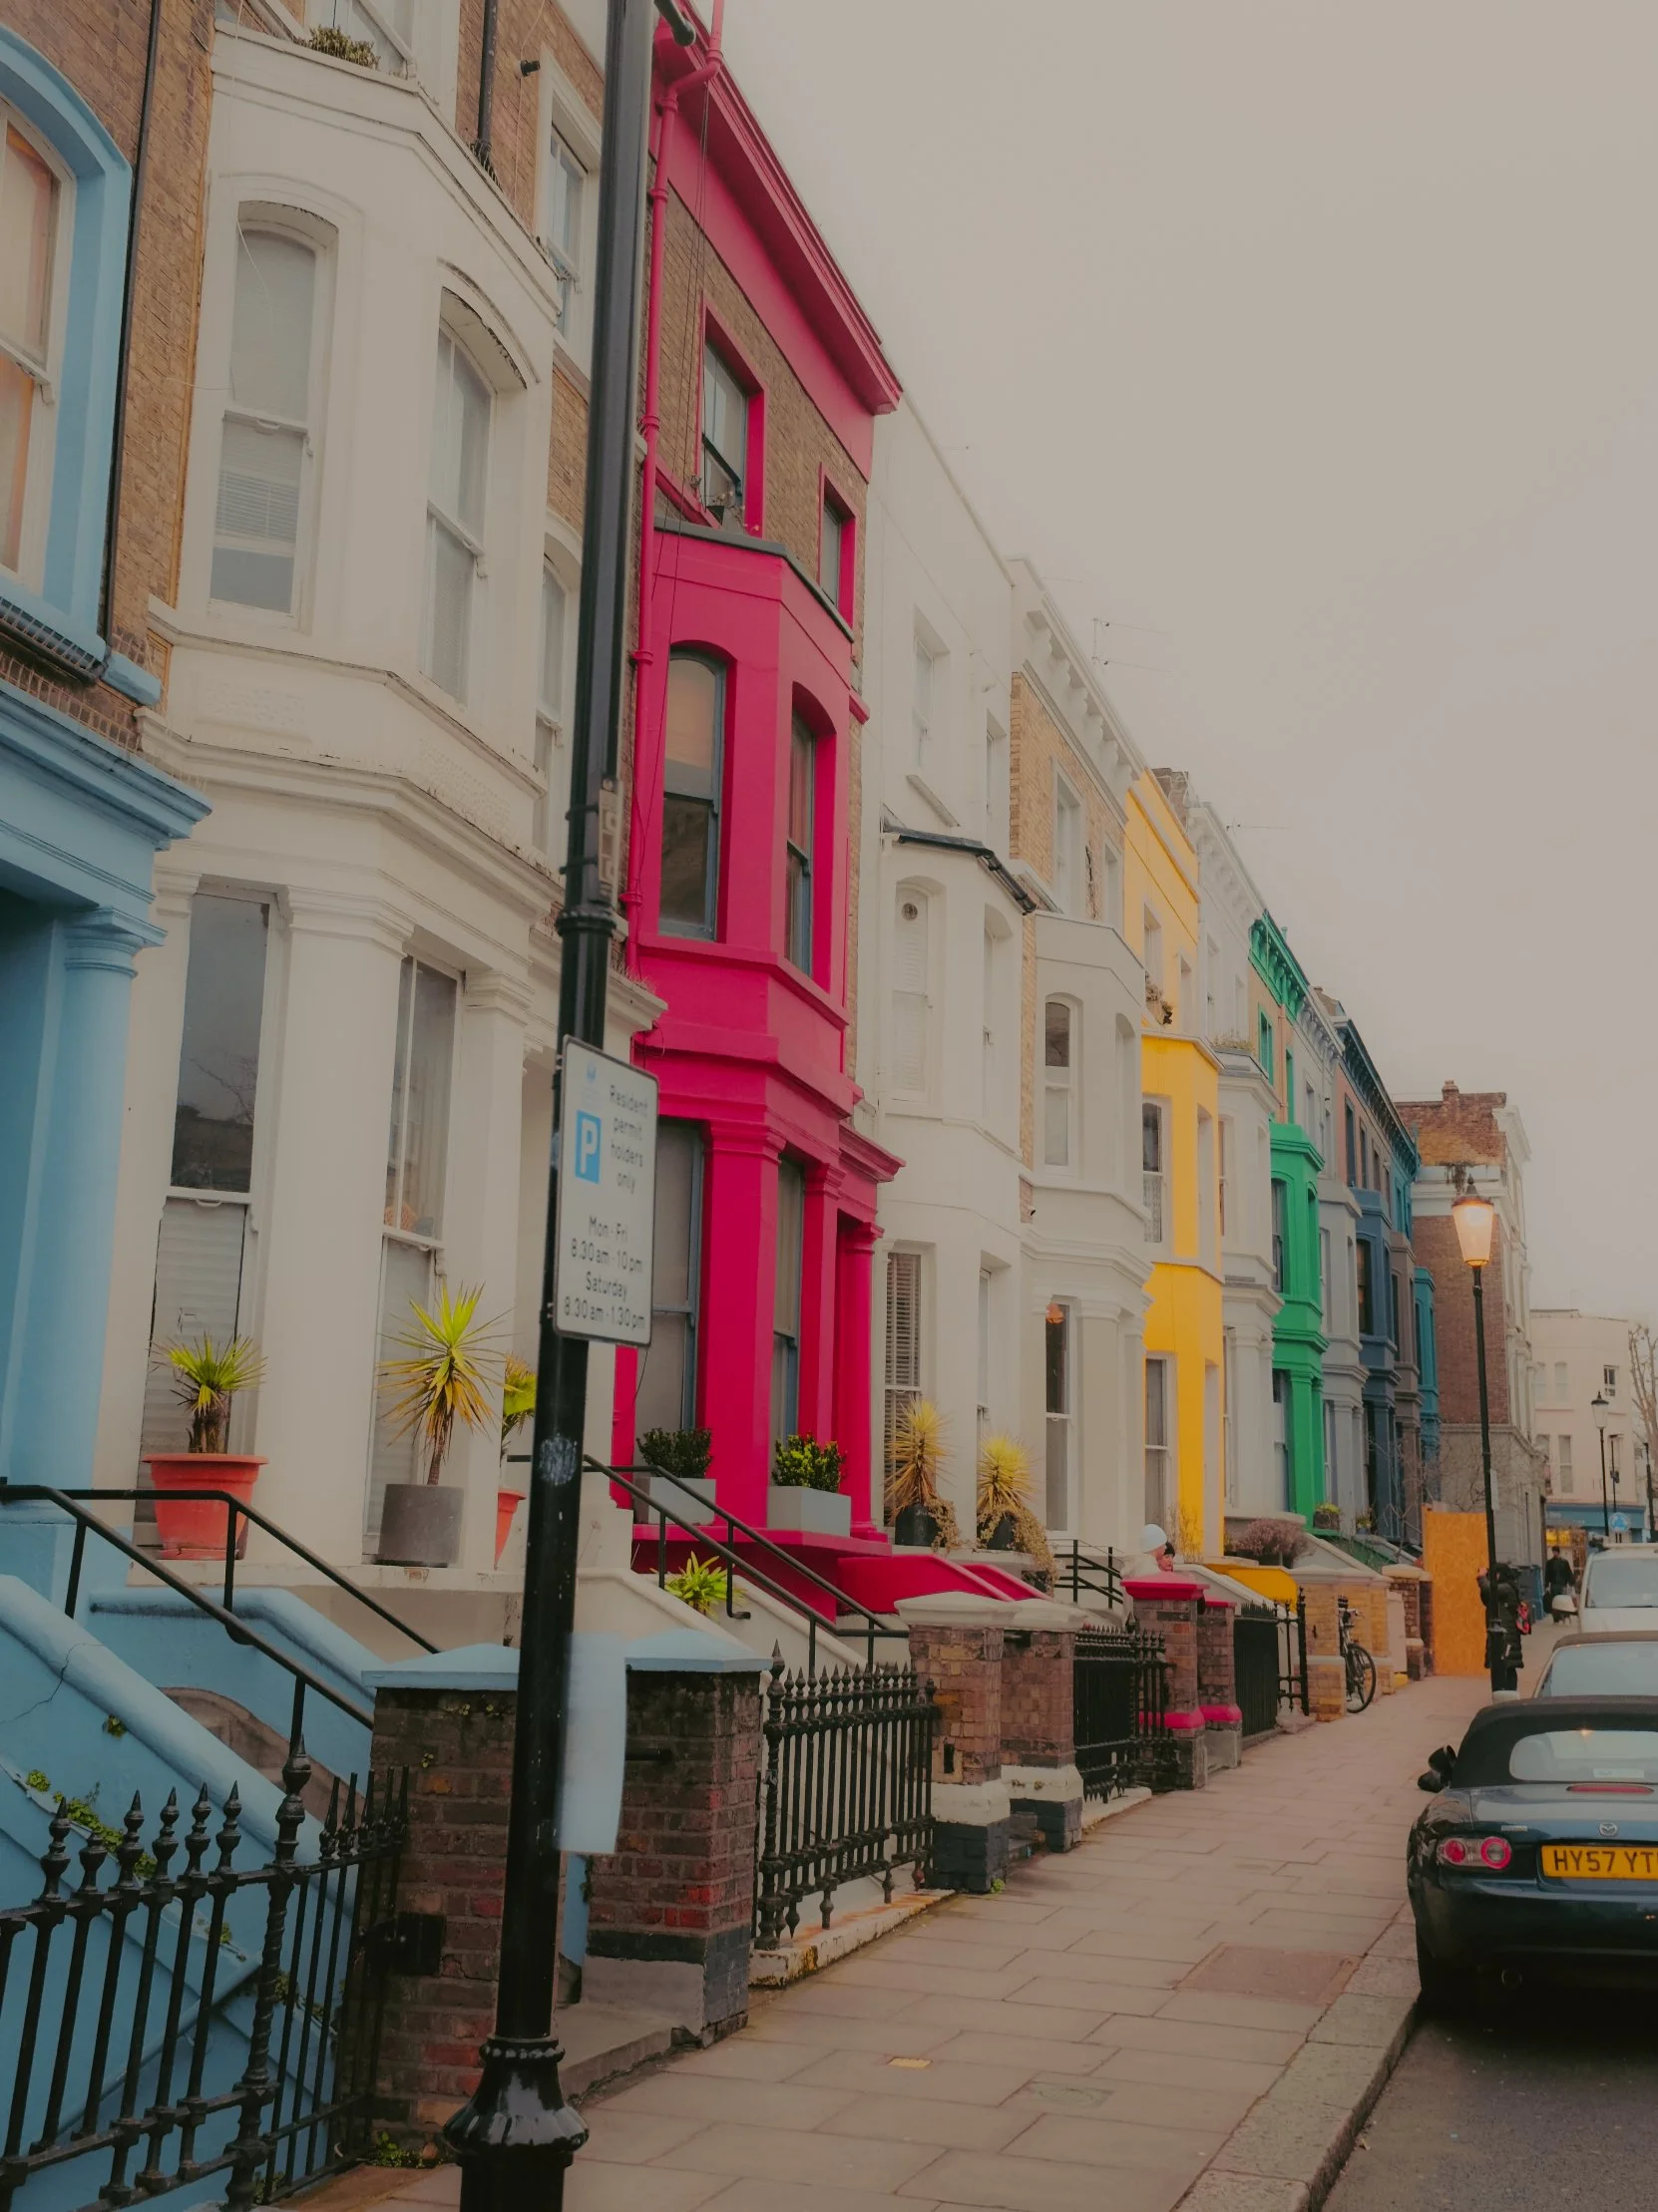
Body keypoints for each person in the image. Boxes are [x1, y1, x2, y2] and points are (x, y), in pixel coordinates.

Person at [1477, 1563, 1524, 1693]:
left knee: (1508, 1665)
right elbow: (1486, 1597)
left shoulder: (1507, 1588)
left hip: (1506, 1634)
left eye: (1495, 1574)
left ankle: (1509, 1691)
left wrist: (1482, 1576)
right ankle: (1504, 1691)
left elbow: (1489, 1589)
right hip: (1500, 1633)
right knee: (1502, 1664)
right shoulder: (1504, 1588)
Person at [1543, 1549, 1576, 1618]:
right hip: (1554, 1584)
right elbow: (1547, 1574)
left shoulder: (1564, 1562)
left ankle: (1564, 1614)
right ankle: (1556, 1617)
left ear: (1558, 1552)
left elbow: (1568, 1572)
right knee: (1555, 1601)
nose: (1554, 1553)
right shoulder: (1550, 1562)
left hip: (1562, 1584)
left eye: (1555, 1552)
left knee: (1563, 1600)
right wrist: (1546, 1585)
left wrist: (1571, 1583)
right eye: (1553, 1552)